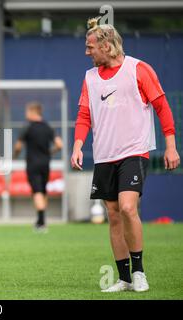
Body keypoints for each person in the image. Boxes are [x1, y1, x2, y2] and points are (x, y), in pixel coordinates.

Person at [71, 17, 180, 293]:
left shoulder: (138, 69)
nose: (86, 52)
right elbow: (85, 114)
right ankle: (124, 278)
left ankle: (140, 272)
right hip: (105, 155)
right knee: (114, 214)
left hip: (134, 151)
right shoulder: (90, 77)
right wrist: (77, 145)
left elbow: (162, 107)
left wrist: (170, 145)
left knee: (128, 207)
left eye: (90, 47)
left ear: (107, 46)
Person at [14, 102, 63, 232]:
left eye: (27, 112)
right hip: (45, 164)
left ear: (32, 112)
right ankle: (41, 220)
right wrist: (49, 152)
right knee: (43, 191)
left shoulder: (27, 127)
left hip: (33, 164)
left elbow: (18, 146)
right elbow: (59, 144)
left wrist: (15, 156)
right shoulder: (48, 127)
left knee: (37, 191)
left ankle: (41, 223)